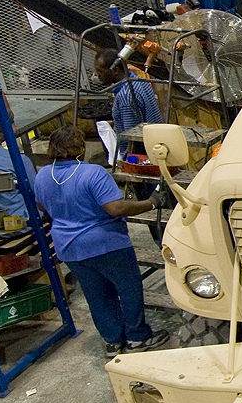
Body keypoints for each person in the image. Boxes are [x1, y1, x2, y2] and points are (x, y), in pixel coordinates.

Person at [33, 126, 162, 357]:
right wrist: (151, 202)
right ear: (80, 148)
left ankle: (113, 341)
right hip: (105, 244)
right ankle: (137, 337)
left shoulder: (43, 174)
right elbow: (116, 208)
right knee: (129, 288)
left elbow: (42, 205)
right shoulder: (93, 173)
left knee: (97, 296)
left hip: (69, 248)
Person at [95, 49, 161, 137]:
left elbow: (131, 137)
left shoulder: (125, 95)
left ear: (115, 70)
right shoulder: (140, 81)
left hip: (143, 147)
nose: (97, 75)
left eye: (100, 71)